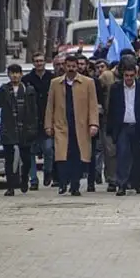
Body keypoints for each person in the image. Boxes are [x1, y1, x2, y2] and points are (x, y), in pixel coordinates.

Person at [44, 55, 100, 196]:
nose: (71, 69)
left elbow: (93, 105)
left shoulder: (88, 83)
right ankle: (62, 183)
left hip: (80, 126)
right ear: (64, 66)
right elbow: (50, 106)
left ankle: (75, 186)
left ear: (78, 67)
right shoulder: (55, 83)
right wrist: (48, 125)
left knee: (78, 157)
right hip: (62, 125)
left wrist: (93, 124)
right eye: (68, 66)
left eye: (73, 66)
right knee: (62, 157)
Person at [0, 64, 39, 196]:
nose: (15, 76)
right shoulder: (4, 90)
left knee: (26, 159)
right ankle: (10, 186)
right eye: (12, 73)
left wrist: (34, 127)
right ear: (8, 75)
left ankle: (24, 178)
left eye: (17, 73)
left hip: (25, 129)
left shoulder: (29, 90)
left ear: (21, 75)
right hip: (9, 128)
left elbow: (34, 110)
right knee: (9, 159)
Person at [107, 61, 140, 196]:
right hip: (122, 127)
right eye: (126, 75)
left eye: (131, 75)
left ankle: (136, 182)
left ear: (135, 75)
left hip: (138, 126)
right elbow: (111, 109)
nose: (129, 78)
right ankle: (121, 184)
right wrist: (111, 130)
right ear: (123, 75)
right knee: (122, 155)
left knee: (138, 156)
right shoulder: (116, 88)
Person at [22, 52, 55, 190]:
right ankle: (33, 180)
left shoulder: (52, 78)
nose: (39, 63)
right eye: (36, 61)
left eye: (41, 61)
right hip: (31, 122)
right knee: (31, 153)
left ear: (45, 62)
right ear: (33, 63)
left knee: (48, 149)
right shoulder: (27, 79)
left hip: (47, 120)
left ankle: (48, 171)